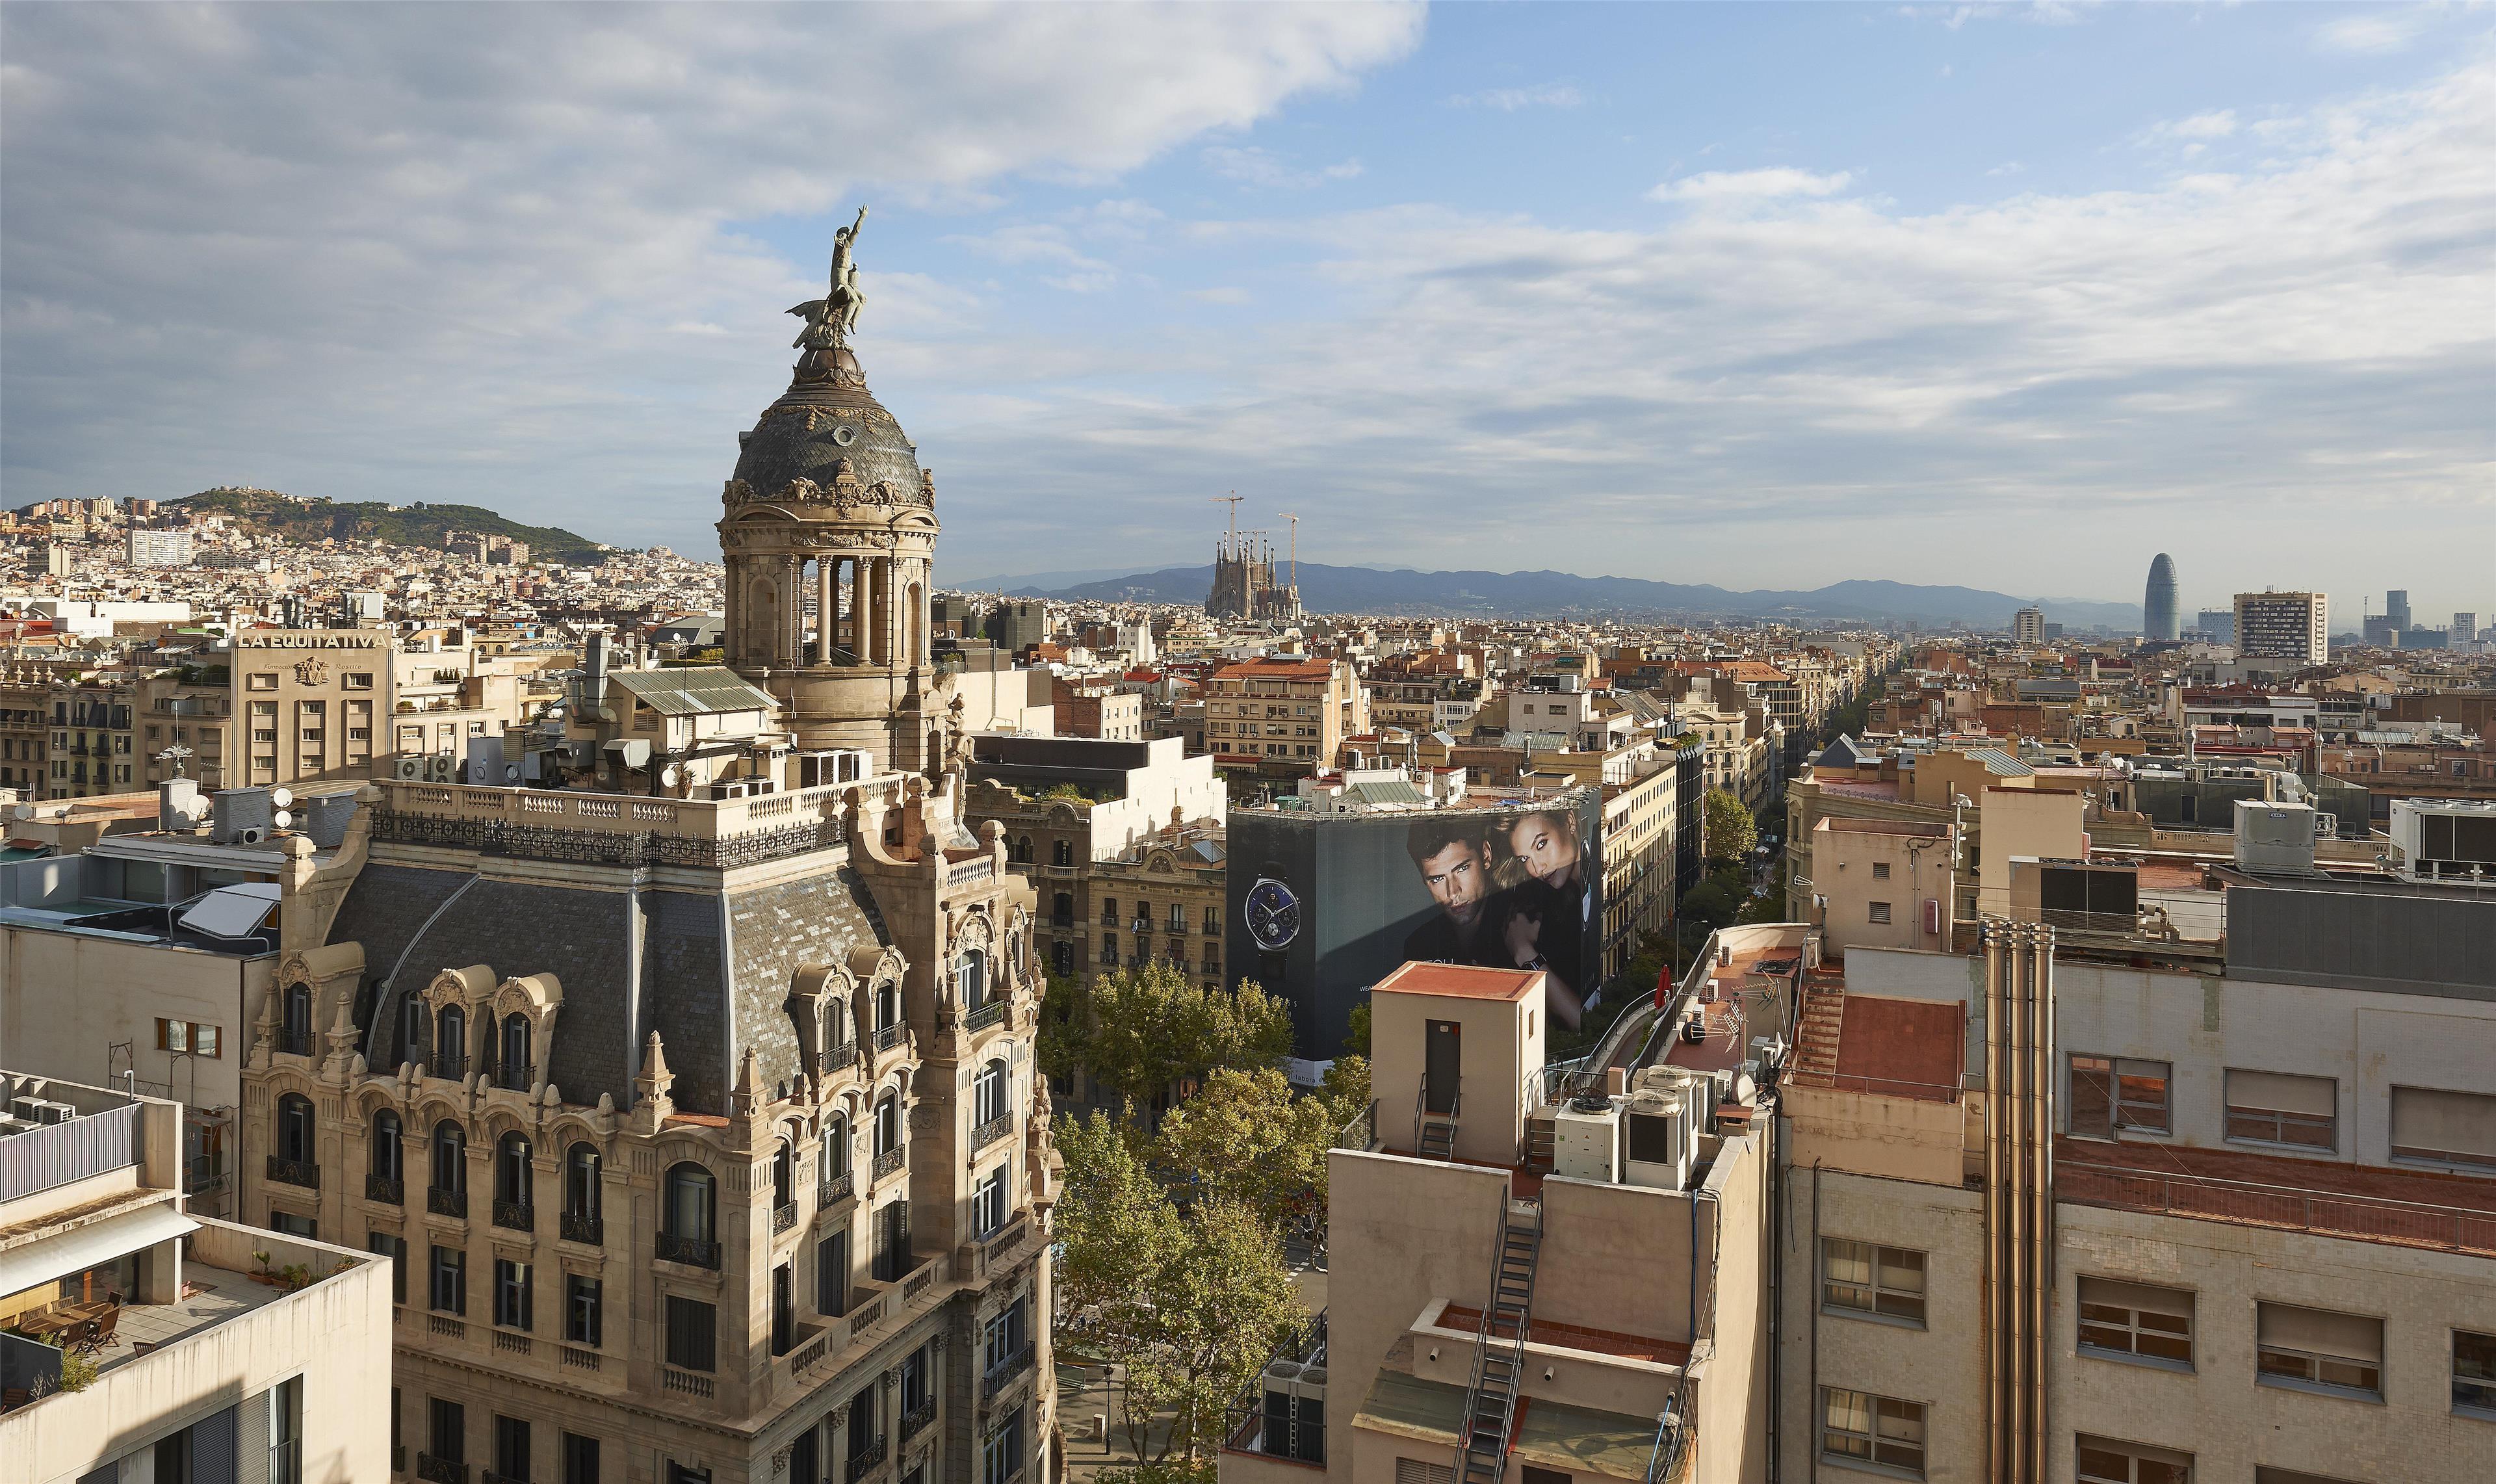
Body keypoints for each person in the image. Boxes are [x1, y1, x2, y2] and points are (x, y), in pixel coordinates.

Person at [1502, 808, 1592, 1027]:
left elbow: (1583, 1023)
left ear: (1571, 823)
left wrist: (1526, 955)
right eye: (1525, 858)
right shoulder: (1545, 906)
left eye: (1541, 845)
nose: (1537, 868)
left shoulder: (1596, 884)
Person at [1401, 817, 1510, 969]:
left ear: (1486, 856)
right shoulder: (1419, 946)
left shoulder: (1526, 925)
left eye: (1462, 869)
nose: (1453, 892)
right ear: (1424, 881)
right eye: (1438, 879)